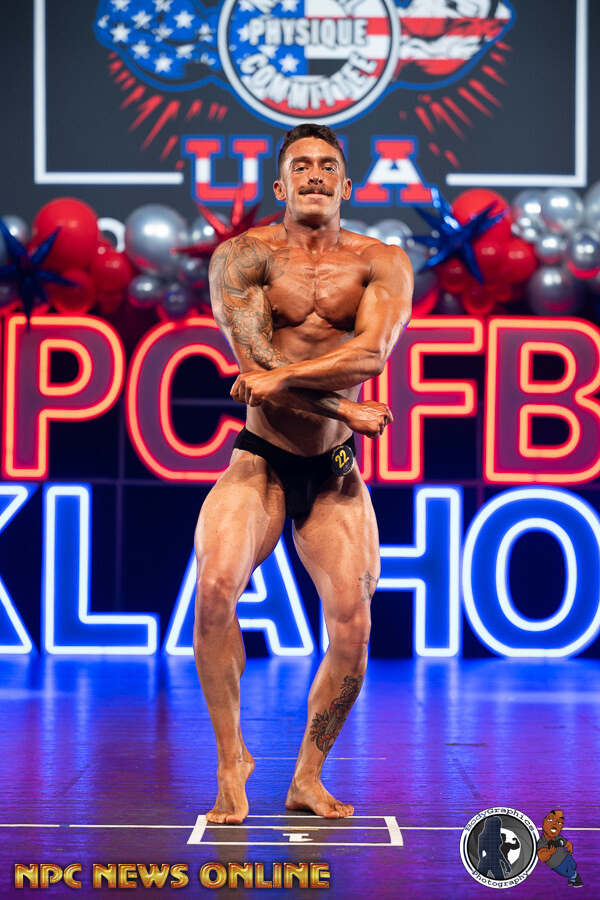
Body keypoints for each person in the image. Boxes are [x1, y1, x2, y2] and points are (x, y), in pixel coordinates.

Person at [193, 122, 413, 825]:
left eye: (326, 165)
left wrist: (291, 382)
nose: (314, 174)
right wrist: (346, 407)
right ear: (280, 185)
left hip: (336, 472)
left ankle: (307, 778)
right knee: (214, 591)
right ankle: (231, 761)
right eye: (300, 166)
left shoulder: (382, 262)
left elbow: (370, 355)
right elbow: (255, 370)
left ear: (346, 185)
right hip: (260, 461)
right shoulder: (243, 257)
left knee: (353, 629)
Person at [537, 809, 583, 887]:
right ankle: (576, 878)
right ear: (544, 822)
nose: (555, 824)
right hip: (556, 864)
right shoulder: (542, 842)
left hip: (566, 856)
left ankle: (571, 880)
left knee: (573, 865)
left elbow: (568, 844)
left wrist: (570, 852)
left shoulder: (558, 837)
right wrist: (549, 852)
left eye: (559, 822)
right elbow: (542, 857)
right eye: (550, 819)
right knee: (570, 873)